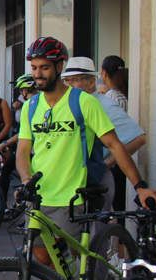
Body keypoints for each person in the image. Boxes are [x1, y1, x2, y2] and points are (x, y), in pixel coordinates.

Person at [17, 37, 156, 280]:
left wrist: (140, 186)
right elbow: (23, 151)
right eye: (34, 68)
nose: (38, 74)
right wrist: (26, 178)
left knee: (73, 272)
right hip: (41, 199)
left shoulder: (84, 103)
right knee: (44, 265)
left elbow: (115, 145)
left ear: (59, 67)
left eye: (44, 67)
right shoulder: (31, 106)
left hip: (74, 199)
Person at [61, 56, 146, 211]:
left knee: (94, 230)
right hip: (72, 180)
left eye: (75, 80)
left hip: (95, 180)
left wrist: (108, 162)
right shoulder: (72, 103)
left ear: (91, 82)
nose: (69, 85)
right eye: (67, 81)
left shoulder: (103, 104)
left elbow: (139, 138)